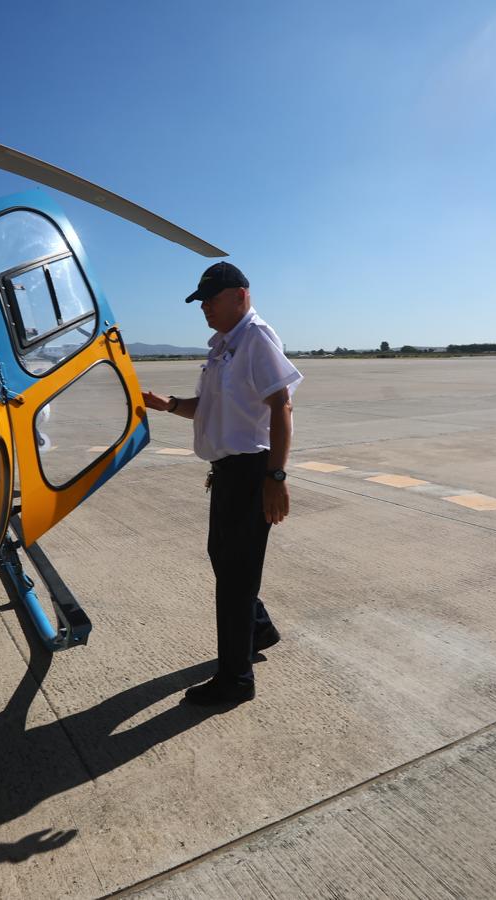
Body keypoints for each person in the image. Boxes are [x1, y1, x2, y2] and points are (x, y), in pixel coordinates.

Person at [142, 262, 302, 706]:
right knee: (226, 562)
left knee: (235, 577)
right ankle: (258, 628)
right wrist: (169, 404)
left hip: (253, 472)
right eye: (202, 302)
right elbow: (210, 409)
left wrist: (276, 476)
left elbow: (281, 407)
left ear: (240, 296)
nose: (205, 308)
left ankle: (236, 679)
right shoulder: (222, 348)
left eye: (211, 299)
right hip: (230, 473)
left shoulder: (255, 338)